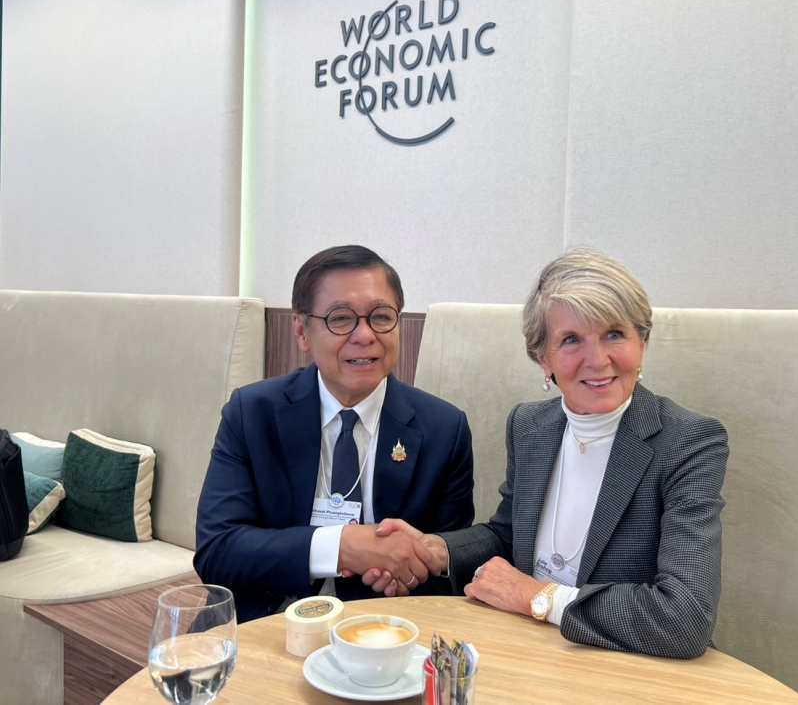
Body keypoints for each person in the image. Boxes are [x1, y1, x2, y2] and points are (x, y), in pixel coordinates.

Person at [366, 248, 728, 658]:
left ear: (641, 342)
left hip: (630, 664)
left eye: (614, 334)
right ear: (544, 358)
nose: (598, 360)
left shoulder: (688, 441)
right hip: (527, 650)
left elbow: (685, 617)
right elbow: (509, 536)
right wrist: (435, 550)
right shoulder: (529, 426)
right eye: (572, 340)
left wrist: (538, 597)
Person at [195, 245, 475, 621]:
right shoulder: (252, 413)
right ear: (302, 332)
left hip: (382, 629)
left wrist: (408, 570)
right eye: (341, 319)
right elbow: (217, 551)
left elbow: (448, 564)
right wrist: (342, 547)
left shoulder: (444, 428)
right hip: (264, 619)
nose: (365, 335)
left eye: (381, 317)